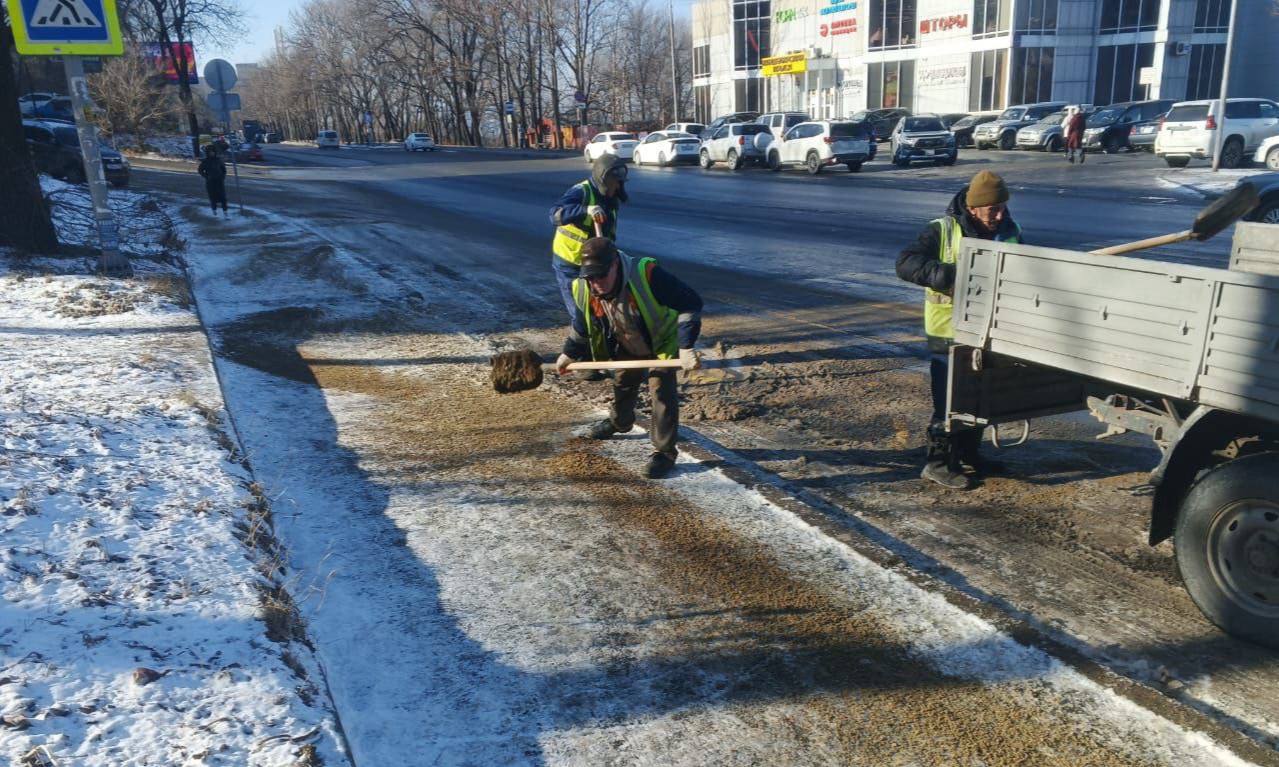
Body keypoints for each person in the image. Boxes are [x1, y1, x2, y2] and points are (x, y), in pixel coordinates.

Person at [896, 171, 1023, 489]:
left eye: (1002, 208)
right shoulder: (942, 230)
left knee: (980, 398)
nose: (999, 216)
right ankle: (938, 463)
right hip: (948, 335)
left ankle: (969, 454)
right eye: (992, 209)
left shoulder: (1010, 232)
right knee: (949, 402)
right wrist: (945, 276)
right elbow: (906, 263)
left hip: (988, 332)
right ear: (974, 207)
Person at [556, 237, 703, 479]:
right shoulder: (584, 287)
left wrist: (686, 346)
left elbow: (691, 302)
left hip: (662, 341)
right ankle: (620, 422)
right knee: (623, 382)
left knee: (661, 391)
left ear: (615, 264)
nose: (595, 283)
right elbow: (581, 326)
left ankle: (664, 452)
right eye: (590, 277)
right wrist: (568, 353)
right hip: (626, 339)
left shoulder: (647, 274)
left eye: (601, 276)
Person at [549, 154, 628, 319]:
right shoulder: (581, 191)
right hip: (570, 262)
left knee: (600, 307)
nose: (617, 187)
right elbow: (555, 214)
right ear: (603, 180)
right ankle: (583, 332)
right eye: (614, 183)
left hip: (595, 262)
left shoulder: (611, 198)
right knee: (580, 311)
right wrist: (585, 210)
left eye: (619, 183)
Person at [197, 145, 229, 216]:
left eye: (213, 152)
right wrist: (206, 176)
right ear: (207, 153)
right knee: (212, 197)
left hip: (219, 181)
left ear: (215, 152)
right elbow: (200, 170)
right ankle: (214, 210)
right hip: (210, 182)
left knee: (223, 197)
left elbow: (224, 169)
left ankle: (225, 211)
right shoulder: (205, 161)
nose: (212, 153)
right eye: (210, 152)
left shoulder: (218, 160)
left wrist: (222, 177)